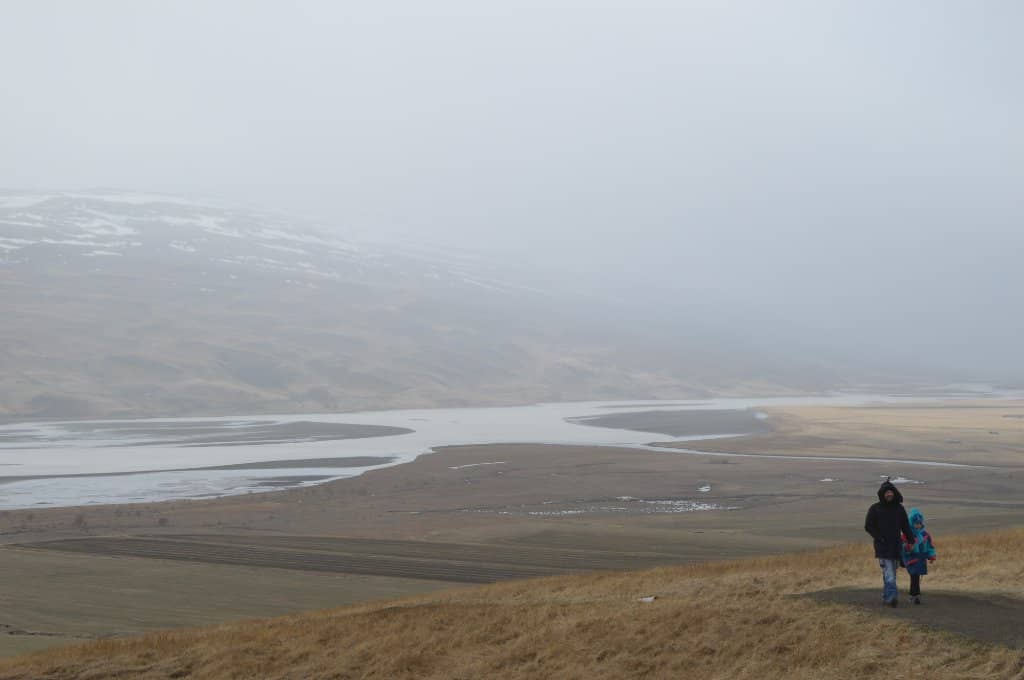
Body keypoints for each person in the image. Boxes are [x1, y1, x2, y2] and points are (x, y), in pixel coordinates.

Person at [864, 479, 914, 607]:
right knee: (889, 573)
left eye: (891, 492)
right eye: (886, 492)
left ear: (894, 493)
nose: (889, 494)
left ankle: (887, 596)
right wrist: (879, 537)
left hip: (896, 547)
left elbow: (905, 526)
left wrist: (911, 540)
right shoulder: (875, 509)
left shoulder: (899, 509)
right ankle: (892, 598)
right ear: (882, 494)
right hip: (883, 547)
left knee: (890, 573)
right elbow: (868, 526)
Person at [900, 507, 937, 604]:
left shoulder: (925, 534)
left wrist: (931, 556)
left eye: (919, 523)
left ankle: (914, 595)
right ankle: (915, 595)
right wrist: (907, 548)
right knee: (914, 575)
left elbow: (930, 546)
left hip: (921, 558)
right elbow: (902, 548)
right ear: (911, 523)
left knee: (916, 576)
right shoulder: (906, 535)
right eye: (916, 523)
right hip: (911, 559)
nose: (918, 525)